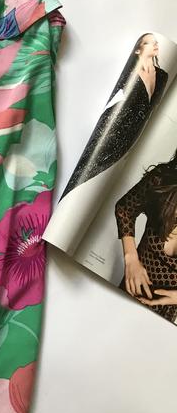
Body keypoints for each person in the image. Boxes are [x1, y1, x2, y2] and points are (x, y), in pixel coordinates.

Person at [63, 33, 168, 196]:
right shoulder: (131, 71)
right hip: (115, 125)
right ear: (138, 50)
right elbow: (116, 100)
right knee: (91, 167)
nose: (155, 45)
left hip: (135, 130)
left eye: (155, 43)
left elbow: (154, 104)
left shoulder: (162, 76)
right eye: (148, 43)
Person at [115, 150, 177, 322]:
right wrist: (131, 258)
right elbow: (125, 209)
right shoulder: (161, 180)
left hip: (163, 317)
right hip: (129, 294)